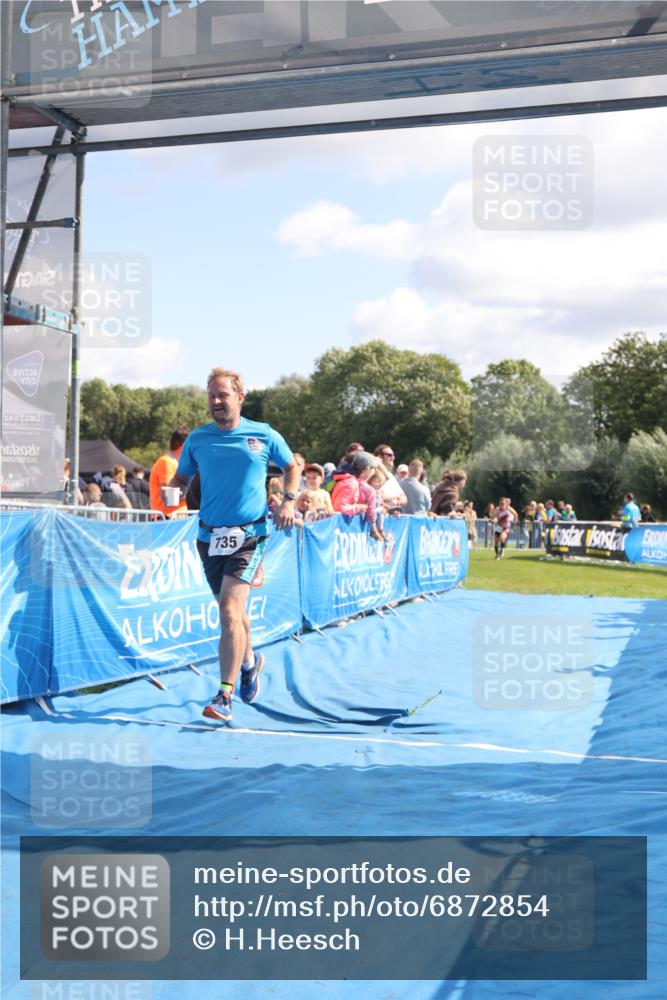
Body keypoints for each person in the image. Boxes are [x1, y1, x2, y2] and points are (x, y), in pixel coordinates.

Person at [167, 368, 298, 724]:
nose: (216, 401)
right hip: (209, 537)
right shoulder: (198, 439)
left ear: (240, 397)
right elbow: (181, 477)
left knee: (228, 609)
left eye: (223, 394)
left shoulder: (263, 434)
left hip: (250, 535)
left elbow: (292, 466)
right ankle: (250, 662)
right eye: (211, 395)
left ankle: (224, 695)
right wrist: (172, 490)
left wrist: (288, 501)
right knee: (234, 615)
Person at [331, 450, 384, 541]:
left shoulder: (340, 479)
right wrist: (359, 508)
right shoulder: (352, 483)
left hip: (336, 530)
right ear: (367, 469)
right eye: (373, 468)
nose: (375, 471)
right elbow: (339, 508)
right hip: (340, 531)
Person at [150, 427, 190, 518]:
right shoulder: (166, 462)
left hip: (176, 519)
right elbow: (170, 498)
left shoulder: (175, 463)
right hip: (166, 519)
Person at [373, 443, 407, 515]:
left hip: (395, 516)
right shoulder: (373, 475)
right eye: (389, 455)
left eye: (393, 455)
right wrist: (396, 497)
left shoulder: (391, 476)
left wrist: (400, 500)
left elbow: (404, 497)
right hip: (381, 515)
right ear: (379, 457)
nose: (393, 457)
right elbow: (376, 497)